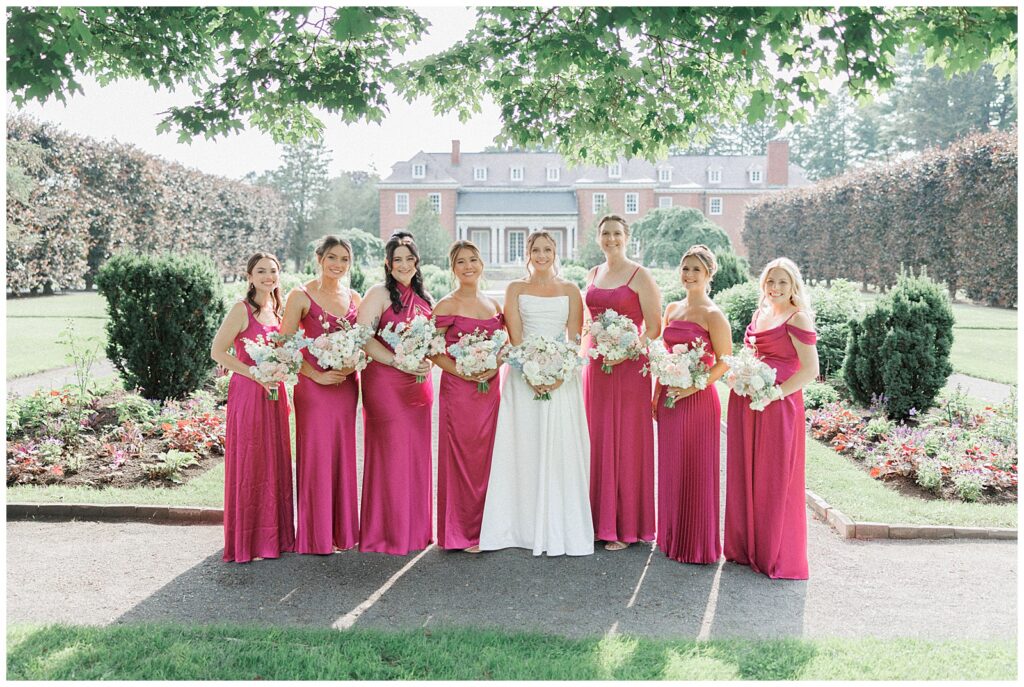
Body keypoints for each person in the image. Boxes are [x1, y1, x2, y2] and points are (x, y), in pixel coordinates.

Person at [478, 231, 594, 556]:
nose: (542, 255)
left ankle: (560, 525)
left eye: (547, 249)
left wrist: (557, 375)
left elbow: (574, 340)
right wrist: (530, 371)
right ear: (528, 253)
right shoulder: (515, 288)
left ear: (556, 252)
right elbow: (515, 337)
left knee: (560, 448)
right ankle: (519, 527)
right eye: (536, 249)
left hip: (562, 380)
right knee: (523, 446)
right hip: (522, 377)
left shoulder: (571, 289)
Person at [724, 257, 819, 579]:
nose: (775, 288)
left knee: (774, 478)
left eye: (782, 282)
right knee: (745, 472)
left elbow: (810, 370)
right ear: (762, 284)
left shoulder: (798, 318)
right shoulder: (759, 313)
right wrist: (740, 374)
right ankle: (745, 547)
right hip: (746, 404)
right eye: (770, 281)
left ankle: (775, 554)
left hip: (778, 409)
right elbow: (749, 355)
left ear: (793, 286)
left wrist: (774, 394)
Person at [583, 214, 662, 551]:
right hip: (597, 367)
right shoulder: (593, 274)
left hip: (630, 368)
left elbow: (655, 328)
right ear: (598, 238)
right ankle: (597, 521)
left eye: (617, 233)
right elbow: (588, 323)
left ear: (627, 237)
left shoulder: (640, 275)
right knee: (597, 437)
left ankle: (625, 526)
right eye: (605, 234)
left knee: (626, 439)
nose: (611, 239)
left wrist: (627, 350)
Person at [210, 252, 295, 563]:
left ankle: (276, 537)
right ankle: (248, 540)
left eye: (273, 271)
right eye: (261, 271)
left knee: (275, 459)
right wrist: (253, 373)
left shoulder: (280, 310)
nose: (268, 276)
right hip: (248, 392)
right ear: (249, 276)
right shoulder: (240, 309)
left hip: (276, 393)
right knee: (251, 459)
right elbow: (217, 351)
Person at [281, 236, 362, 554]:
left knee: (342, 453)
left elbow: (361, 339)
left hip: (345, 386)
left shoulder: (353, 296)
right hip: (314, 387)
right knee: (317, 454)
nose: (338, 264)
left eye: (344, 259)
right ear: (319, 258)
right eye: (332, 257)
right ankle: (316, 535)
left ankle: (341, 534)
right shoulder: (300, 295)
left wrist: (354, 359)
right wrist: (315, 374)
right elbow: (285, 345)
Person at [355, 231, 434, 555]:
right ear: (388, 264)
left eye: (409, 258)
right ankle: (387, 533)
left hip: (418, 387)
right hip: (385, 383)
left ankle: (415, 530)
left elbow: (432, 340)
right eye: (397, 259)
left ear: (417, 261)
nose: (404, 264)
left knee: (415, 455)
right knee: (391, 453)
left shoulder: (426, 299)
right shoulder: (378, 293)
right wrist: (396, 360)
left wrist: (427, 357)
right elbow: (363, 336)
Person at [656, 245, 732, 564]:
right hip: (669, 398)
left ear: (709, 275)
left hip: (698, 401)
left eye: (696, 270)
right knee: (671, 468)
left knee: (696, 469)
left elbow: (725, 361)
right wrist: (655, 397)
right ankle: (671, 538)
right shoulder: (672, 309)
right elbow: (663, 354)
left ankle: (697, 545)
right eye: (685, 269)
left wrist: (693, 386)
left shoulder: (713, 315)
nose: (688, 275)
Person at [430, 241, 504, 552]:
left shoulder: (493, 305)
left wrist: (493, 365)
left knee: (488, 458)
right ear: (453, 268)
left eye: (473, 259)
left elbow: (506, 346)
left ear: (481, 264)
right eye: (461, 262)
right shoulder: (446, 304)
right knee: (461, 457)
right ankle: (460, 533)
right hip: (459, 391)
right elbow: (433, 351)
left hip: (489, 390)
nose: (468, 266)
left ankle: (487, 529)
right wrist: (465, 373)